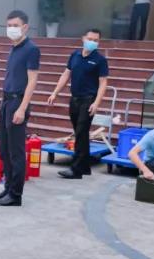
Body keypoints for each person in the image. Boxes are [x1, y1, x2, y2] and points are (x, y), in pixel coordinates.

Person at [0, 10, 40, 207]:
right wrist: (1, 106)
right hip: (6, 103)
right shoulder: (13, 48)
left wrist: (22, 108)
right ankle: (8, 188)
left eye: (15, 25)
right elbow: (9, 79)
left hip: (18, 103)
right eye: (9, 25)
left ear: (25, 27)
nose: (11, 29)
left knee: (16, 152)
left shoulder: (31, 49)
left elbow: (32, 81)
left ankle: (15, 195)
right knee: (3, 149)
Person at [46, 28, 110, 179]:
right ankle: (85, 166)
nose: (92, 42)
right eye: (90, 39)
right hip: (74, 98)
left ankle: (76, 169)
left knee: (81, 132)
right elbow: (66, 74)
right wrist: (55, 92)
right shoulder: (74, 55)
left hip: (88, 100)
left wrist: (96, 103)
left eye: (96, 40)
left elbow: (103, 83)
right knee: (80, 133)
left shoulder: (100, 60)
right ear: (83, 38)